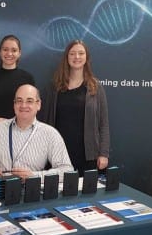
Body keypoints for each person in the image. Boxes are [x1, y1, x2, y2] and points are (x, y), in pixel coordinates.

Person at [0, 84, 73, 183]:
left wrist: (35, 176)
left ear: (38, 104)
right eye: (19, 101)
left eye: (29, 101)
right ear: (14, 105)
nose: (23, 105)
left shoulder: (50, 134)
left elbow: (67, 170)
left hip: (30, 193)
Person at [41, 40, 110, 176]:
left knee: (87, 195)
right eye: (72, 53)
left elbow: (104, 124)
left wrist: (103, 154)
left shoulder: (95, 87)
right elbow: (45, 122)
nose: (76, 57)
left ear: (86, 57)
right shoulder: (54, 87)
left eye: (81, 53)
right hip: (58, 154)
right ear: (67, 57)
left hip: (87, 155)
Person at [0, 35, 35, 143]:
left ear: (19, 53)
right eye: (5, 49)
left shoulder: (27, 78)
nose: (9, 54)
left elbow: (32, 106)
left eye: (14, 50)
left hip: (20, 134)